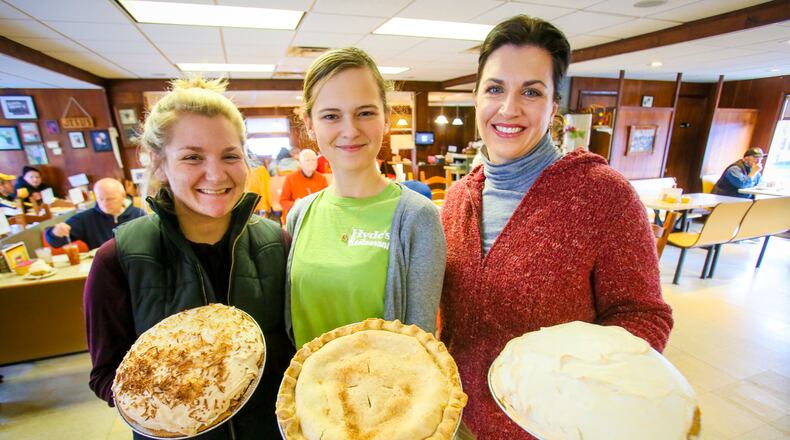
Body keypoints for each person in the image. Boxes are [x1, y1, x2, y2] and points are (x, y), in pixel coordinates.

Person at [438, 16, 674, 439]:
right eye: (495, 88)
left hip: (548, 428)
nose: (509, 108)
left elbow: (644, 315)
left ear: (553, 106)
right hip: (457, 419)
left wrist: (580, 384)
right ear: (475, 97)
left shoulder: (603, 195)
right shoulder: (458, 200)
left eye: (531, 91)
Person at [83, 77, 291, 439]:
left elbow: (294, 349)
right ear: (159, 163)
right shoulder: (119, 258)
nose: (216, 173)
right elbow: (106, 376)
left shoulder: (277, 243)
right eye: (192, 157)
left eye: (230, 155)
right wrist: (177, 401)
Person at [286, 47, 446, 349]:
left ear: (386, 117)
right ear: (309, 123)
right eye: (331, 115)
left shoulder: (417, 217)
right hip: (304, 394)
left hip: (382, 395)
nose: (350, 130)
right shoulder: (300, 214)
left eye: (365, 113)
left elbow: (420, 348)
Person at [45, 178, 145, 250]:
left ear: (123, 196)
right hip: (103, 268)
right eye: (100, 199)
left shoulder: (139, 214)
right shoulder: (86, 218)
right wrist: (55, 232)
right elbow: (56, 243)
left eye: (110, 199)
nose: (105, 203)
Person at [279, 148, 328, 223]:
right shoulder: (290, 178)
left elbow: (326, 199)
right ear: (300, 164)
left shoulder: (322, 178)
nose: (311, 162)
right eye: (307, 160)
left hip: (315, 215)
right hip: (297, 216)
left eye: (313, 160)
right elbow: (283, 201)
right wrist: (295, 204)